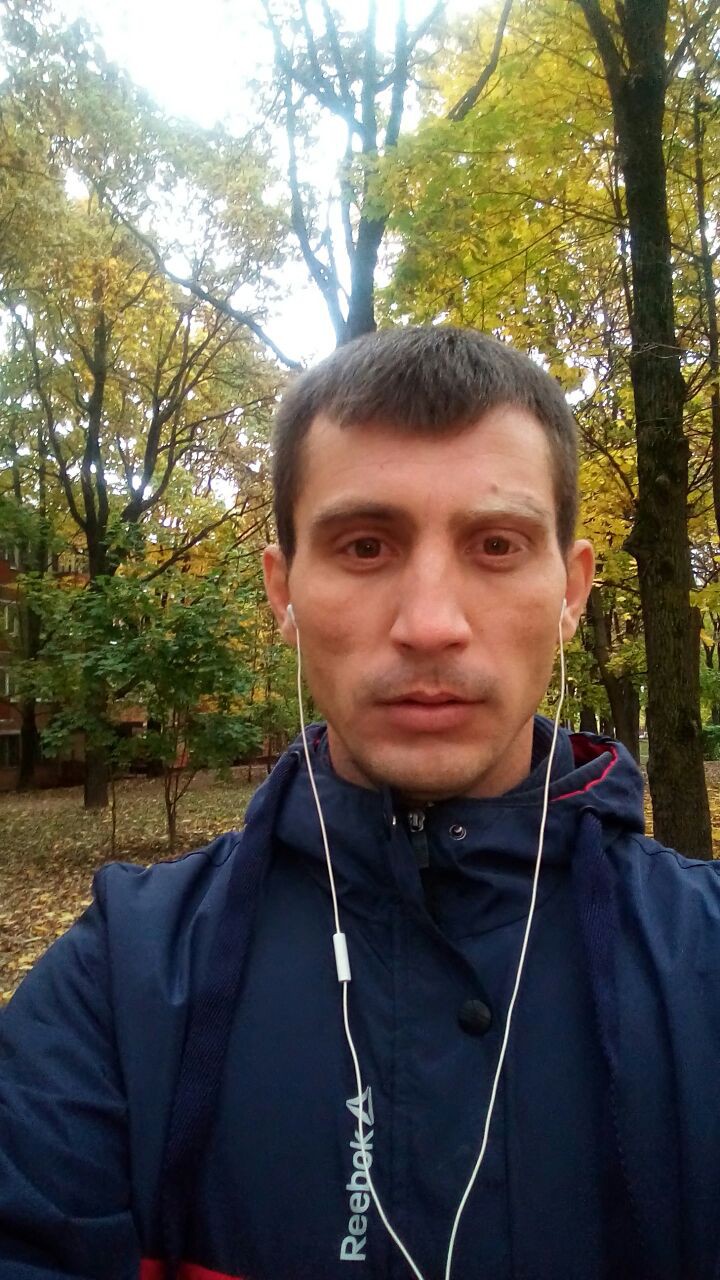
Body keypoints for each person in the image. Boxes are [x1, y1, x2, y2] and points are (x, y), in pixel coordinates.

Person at [0, 326, 718, 1280]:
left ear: (572, 591)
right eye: (365, 545)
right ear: (283, 591)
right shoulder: (122, 985)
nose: (430, 624)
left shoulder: (703, 961)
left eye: (496, 545)